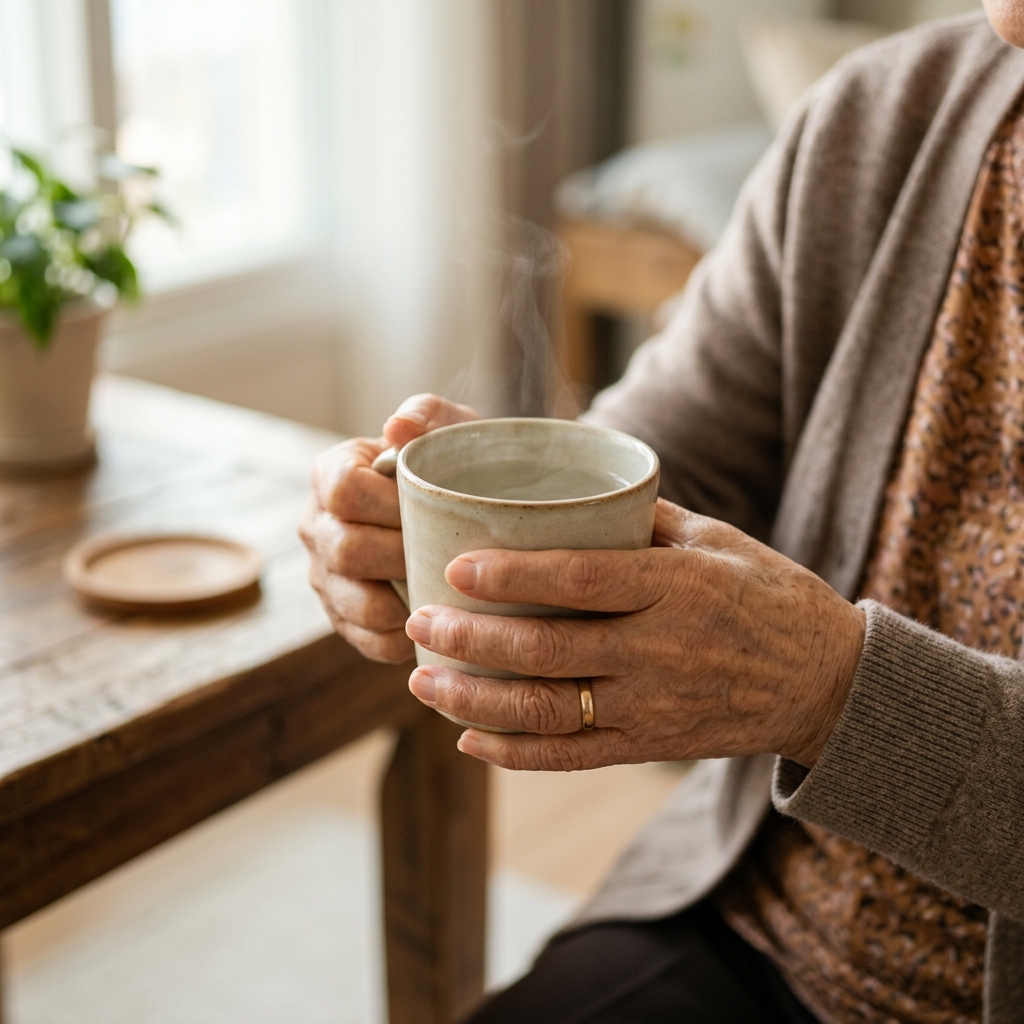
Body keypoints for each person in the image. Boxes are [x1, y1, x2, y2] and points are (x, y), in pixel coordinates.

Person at [299, 7, 1024, 1023]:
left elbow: (828, 685)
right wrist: (456, 521)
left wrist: (836, 691)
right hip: (756, 914)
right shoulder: (883, 115)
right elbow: (674, 451)